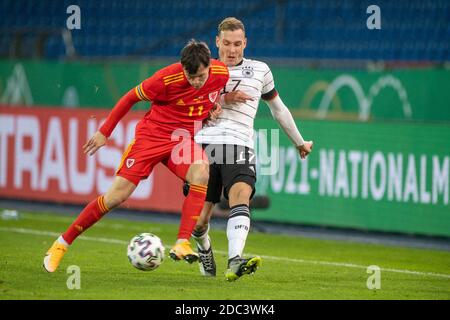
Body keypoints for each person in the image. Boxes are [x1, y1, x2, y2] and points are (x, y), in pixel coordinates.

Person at [43, 40, 229, 272]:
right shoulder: (164, 79)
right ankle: (61, 244)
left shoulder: (221, 72)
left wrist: (210, 109)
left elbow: (210, 95)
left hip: (181, 142)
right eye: (191, 77)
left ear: (209, 66)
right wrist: (104, 132)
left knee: (201, 171)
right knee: (115, 197)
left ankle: (182, 242)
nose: (196, 82)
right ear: (182, 68)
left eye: (200, 76)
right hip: (151, 138)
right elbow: (129, 98)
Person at [186, 17, 313, 281]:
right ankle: (205, 248)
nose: (232, 50)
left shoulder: (260, 71)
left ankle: (234, 260)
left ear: (245, 43)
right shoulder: (201, 70)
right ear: (217, 42)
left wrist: (299, 141)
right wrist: (222, 98)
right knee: (199, 222)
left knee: (241, 196)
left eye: (237, 44)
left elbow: (278, 108)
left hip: (239, 144)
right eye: (227, 44)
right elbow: (183, 102)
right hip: (204, 146)